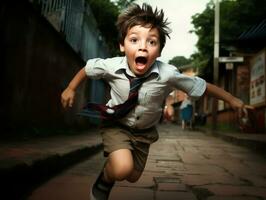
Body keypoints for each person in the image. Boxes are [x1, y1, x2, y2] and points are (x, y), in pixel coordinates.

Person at [61, 3, 251, 200]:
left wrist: (233, 100)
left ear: (159, 51)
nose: (143, 46)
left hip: (144, 132)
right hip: (115, 123)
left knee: (133, 176)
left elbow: (202, 86)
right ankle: (104, 181)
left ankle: (112, 170)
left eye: (152, 42)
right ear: (122, 45)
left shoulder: (168, 74)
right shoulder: (111, 65)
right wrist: (70, 88)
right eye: (134, 40)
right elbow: (88, 68)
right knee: (122, 168)